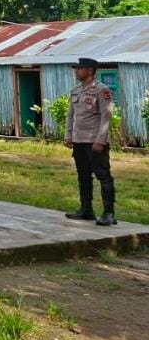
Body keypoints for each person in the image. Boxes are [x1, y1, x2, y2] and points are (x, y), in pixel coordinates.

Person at [64, 58, 118, 226]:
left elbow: (106, 116)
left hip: (94, 141)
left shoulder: (102, 90)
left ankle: (109, 213)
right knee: (83, 176)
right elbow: (71, 115)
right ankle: (86, 209)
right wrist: (68, 135)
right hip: (79, 141)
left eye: (79, 69)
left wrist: (100, 140)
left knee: (103, 175)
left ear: (89, 70)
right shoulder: (75, 91)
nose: (76, 71)